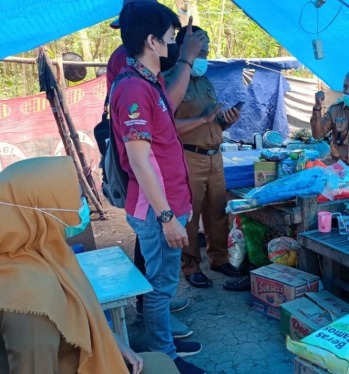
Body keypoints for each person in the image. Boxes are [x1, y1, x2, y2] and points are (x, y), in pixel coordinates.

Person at [0, 157, 179, 374]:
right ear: (43, 212)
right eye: (76, 198)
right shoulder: (29, 302)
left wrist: (111, 340)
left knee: (161, 364)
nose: (81, 206)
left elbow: (74, 314)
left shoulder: (44, 255)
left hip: (89, 356)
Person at [102, 0, 207, 343]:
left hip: (167, 203)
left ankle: (162, 345)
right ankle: (166, 355)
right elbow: (140, 160)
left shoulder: (150, 81)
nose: (173, 43)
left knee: (161, 282)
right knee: (160, 287)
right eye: (169, 36)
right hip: (156, 210)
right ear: (152, 41)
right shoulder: (133, 88)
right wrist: (167, 217)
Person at [164, 26, 241, 288]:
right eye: (201, 52)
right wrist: (203, 119)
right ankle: (191, 266)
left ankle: (219, 259)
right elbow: (165, 126)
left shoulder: (206, 82)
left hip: (214, 156)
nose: (205, 58)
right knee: (190, 215)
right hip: (188, 158)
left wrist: (225, 121)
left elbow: (213, 124)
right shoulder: (169, 80)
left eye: (207, 52)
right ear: (185, 49)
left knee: (218, 211)